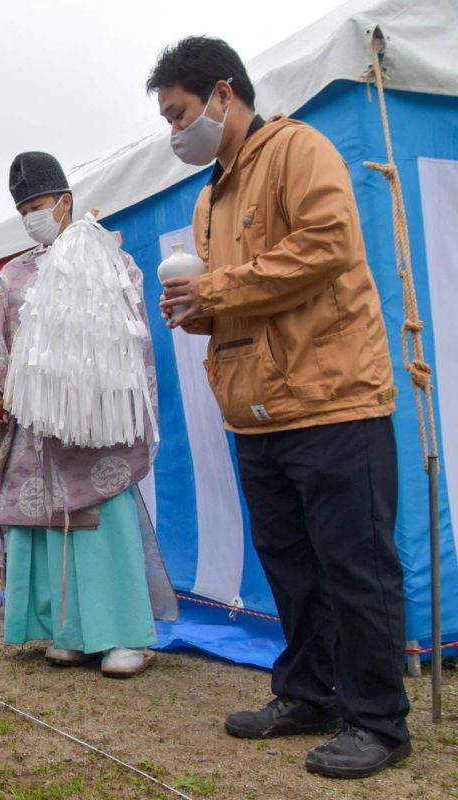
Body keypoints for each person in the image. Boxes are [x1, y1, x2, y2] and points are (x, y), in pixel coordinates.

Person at [148, 36, 410, 779]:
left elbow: (326, 245)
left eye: (180, 113)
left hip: (332, 399)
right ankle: (308, 693)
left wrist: (219, 292)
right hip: (256, 411)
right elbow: (233, 296)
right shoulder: (208, 197)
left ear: (224, 94)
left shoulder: (299, 149)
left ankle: (380, 723)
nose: (175, 132)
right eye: (166, 121)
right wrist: (197, 310)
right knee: (292, 568)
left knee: (356, 567)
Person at [0, 151, 176, 680]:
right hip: (34, 424)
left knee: (103, 526)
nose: (30, 214)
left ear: (65, 202)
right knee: (39, 521)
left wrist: (85, 391)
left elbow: (128, 337)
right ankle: (69, 633)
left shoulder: (108, 257)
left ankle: (122, 635)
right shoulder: (14, 274)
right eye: (22, 207)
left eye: (38, 203)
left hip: (91, 422)